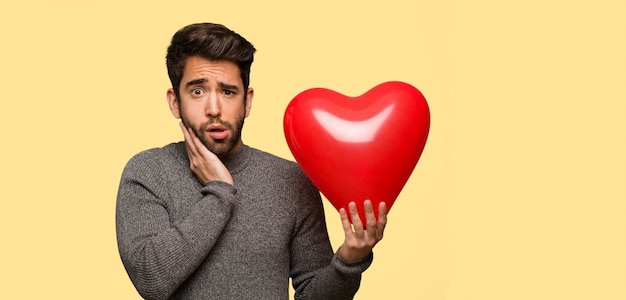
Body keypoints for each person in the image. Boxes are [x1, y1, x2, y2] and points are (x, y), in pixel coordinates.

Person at [116, 22, 388, 300]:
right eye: (197, 91)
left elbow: (312, 294)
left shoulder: (291, 180)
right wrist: (219, 192)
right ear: (175, 102)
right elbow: (151, 280)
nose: (214, 109)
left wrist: (350, 260)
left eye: (228, 92)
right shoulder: (148, 172)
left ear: (247, 101)